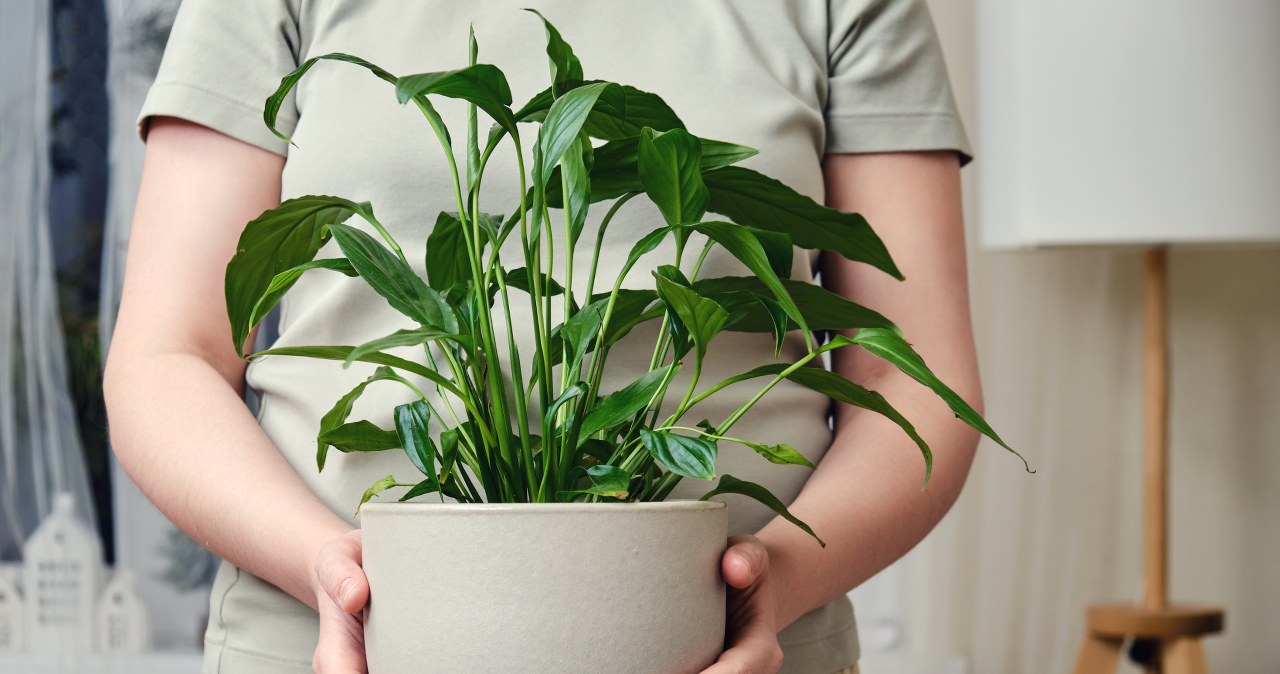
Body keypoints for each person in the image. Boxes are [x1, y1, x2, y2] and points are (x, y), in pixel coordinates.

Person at [104, 1, 981, 673]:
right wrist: (332, 571)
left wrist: (771, 579)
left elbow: (919, 377)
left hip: (725, 650)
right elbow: (164, 359)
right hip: (343, 649)